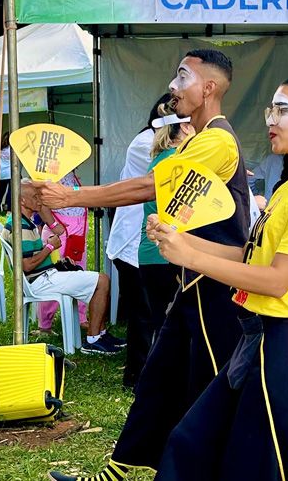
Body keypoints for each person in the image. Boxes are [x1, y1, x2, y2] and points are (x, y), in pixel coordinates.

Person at [147, 70, 288, 480]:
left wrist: (192, 257)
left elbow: (276, 279)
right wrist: (182, 242)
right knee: (193, 443)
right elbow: (249, 255)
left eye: (283, 110)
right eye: (270, 109)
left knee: (263, 465)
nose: (271, 119)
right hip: (261, 336)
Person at [32, 49, 251, 481]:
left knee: (207, 391)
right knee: (158, 381)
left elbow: (153, 185)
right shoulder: (200, 138)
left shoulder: (218, 140)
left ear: (208, 88)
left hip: (216, 287)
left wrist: (71, 197)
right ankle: (118, 471)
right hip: (192, 284)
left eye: (182, 76)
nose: (172, 85)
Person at [104, 94, 173, 389]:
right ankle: (136, 378)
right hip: (131, 243)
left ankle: (148, 375)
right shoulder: (147, 143)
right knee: (142, 315)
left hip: (147, 244)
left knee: (152, 314)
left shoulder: (161, 143)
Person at [6, 193, 121, 354]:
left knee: (100, 279)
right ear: (23, 200)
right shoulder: (21, 227)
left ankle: (100, 334)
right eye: (36, 197)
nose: (41, 200)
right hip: (40, 281)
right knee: (102, 280)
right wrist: (50, 247)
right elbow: (27, 265)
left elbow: (30, 260)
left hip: (44, 277)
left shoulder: (25, 223)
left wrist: (59, 263)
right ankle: (93, 339)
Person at [138, 103, 194, 350]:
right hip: (165, 256)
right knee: (172, 333)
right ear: (184, 127)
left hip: (152, 254)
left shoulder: (162, 158)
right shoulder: (175, 161)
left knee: (164, 328)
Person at [36, 169, 92, 335]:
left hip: (77, 234)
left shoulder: (73, 175)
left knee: (79, 272)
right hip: (61, 232)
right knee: (54, 276)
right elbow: (40, 203)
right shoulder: (48, 177)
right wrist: (54, 225)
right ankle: (45, 323)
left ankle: (81, 317)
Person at [0, 132, 12, 212]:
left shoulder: (0, 149)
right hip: (10, 173)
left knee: (1, 191)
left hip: (1, 173)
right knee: (10, 192)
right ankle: (9, 209)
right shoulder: (11, 149)